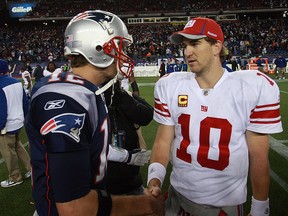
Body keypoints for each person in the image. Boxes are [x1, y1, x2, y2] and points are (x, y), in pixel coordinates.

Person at [24, 10, 164, 216]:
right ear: (98, 48)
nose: (123, 54)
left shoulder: (85, 90)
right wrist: (146, 205)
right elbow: (74, 208)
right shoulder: (67, 101)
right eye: (119, 47)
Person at [147, 17, 283, 216]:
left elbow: (258, 156)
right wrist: (155, 179)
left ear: (216, 46)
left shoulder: (251, 88)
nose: (187, 51)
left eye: (195, 43)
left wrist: (260, 208)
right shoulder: (170, 86)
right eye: (185, 45)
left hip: (222, 207)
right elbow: (162, 141)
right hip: (176, 200)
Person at [104, 80, 153, 195]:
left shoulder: (122, 96)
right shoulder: (88, 99)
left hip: (131, 180)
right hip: (104, 183)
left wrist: (121, 94)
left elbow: (146, 115)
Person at [0, 59, 31, 188]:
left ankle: (15, 177)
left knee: (8, 151)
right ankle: (31, 168)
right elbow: (25, 103)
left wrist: (0, 126)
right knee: (17, 146)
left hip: (7, 125)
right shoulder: (16, 82)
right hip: (18, 122)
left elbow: (1, 109)